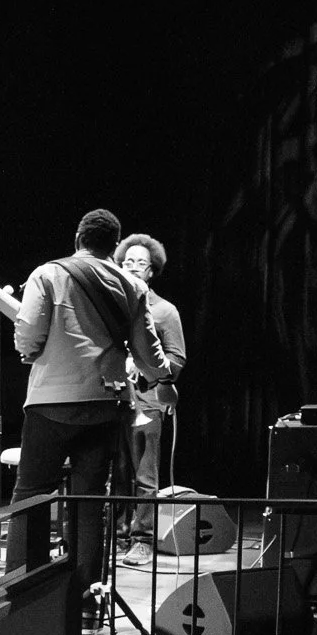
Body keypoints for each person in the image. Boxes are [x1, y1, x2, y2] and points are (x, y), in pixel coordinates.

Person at [4, 209, 175, 611]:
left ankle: (19, 597)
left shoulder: (47, 274)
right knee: (89, 502)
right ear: (115, 246)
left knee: (30, 494)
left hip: (50, 403)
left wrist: (30, 351)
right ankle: (86, 599)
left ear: (78, 236)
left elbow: (28, 332)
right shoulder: (131, 284)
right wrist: (162, 378)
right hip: (103, 405)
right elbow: (149, 353)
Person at [116, 233, 188, 557]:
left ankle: (142, 539)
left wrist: (142, 366)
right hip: (113, 397)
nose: (133, 267)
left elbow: (177, 358)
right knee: (114, 470)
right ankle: (116, 535)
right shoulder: (111, 305)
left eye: (140, 263)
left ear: (151, 271)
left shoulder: (165, 311)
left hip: (147, 399)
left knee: (145, 474)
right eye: (127, 262)